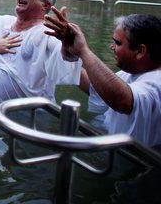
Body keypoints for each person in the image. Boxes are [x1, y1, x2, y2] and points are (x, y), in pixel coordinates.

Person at [45, 10, 161, 147]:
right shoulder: (132, 73)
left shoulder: (157, 81)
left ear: (140, 51)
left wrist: (83, 51)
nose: (112, 47)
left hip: (137, 162)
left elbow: (122, 100)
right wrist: (73, 53)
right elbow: (96, 85)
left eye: (117, 43)